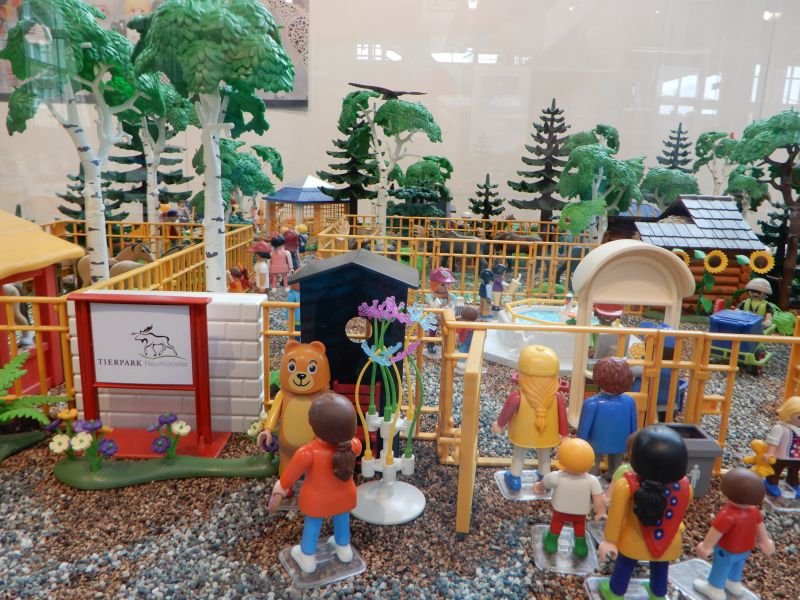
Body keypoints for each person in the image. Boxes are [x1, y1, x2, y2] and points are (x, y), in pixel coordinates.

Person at [270, 392, 362, 574]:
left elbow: (289, 477)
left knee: (313, 523)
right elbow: (355, 447)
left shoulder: (307, 452)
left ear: (314, 425)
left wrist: (280, 489)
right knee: (342, 517)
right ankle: (344, 548)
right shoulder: (354, 445)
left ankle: (307, 556)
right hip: (345, 496)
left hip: (317, 500)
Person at [598, 425, 691, 600]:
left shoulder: (626, 486)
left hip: (633, 539)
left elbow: (616, 517)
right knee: (661, 565)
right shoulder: (685, 487)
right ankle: (658, 593)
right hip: (669, 540)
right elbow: (679, 511)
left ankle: (616, 592)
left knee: (626, 563)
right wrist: (678, 526)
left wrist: (610, 541)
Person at [491, 345, 568, 491]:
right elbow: (562, 417)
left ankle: (515, 478)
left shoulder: (518, 397)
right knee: (544, 455)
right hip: (547, 433)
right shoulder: (557, 398)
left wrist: (499, 424)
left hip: (523, 433)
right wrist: (564, 435)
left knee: (519, 454)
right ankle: (545, 477)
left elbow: (507, 412)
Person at [693, 468, 775, 600]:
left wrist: (706, 546)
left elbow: (716, 531)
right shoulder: (754, 511)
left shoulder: (728, 514)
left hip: (727, 549)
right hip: (745, 549)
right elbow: (760, 528)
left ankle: (715, 587)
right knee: (737, 565)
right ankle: (733, 582)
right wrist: (765, 542)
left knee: (721, 566)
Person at [534, 438, 606, 558]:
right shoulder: (592, 480)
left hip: (560, 510)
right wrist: (601, 512)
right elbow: (598, 498)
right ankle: (580, 546)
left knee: (556, 523)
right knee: (579, 526)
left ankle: (551, 542)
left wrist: (538, 488)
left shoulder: (556, 477)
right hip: (580, 512)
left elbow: (544, 483)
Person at [576, 357, 638, 479]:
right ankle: (614, 479)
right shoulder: (629, 402)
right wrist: (633, 442)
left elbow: (584, 428)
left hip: (596, 442)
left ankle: (590, 479)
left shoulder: (592, 403)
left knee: (593, 462)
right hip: (620, 441)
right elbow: (633, 426)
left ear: (598, 378)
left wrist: (580, 442)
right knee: (616, 463)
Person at [763, 395, 800, 498]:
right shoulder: (780, 428)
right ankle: (771, 482)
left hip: (796, 457)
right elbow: (773, 441)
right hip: (780, 456)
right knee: (776, 470)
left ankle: (793, 482)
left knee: (794, 471)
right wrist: (770, 453)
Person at [424, 267, 459, 357]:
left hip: (447, 317)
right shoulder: (431, 296)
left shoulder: (451, 296)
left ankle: (448, 343)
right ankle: (431, 343)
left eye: (448, 284)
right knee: (432, 329)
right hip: (435, 317)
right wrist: (439, 306)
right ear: (435, 284)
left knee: (448, 330)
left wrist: (449, 306)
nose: (446, 287)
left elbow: (453, 306)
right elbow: (433, 307)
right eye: (442, 284)